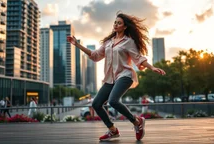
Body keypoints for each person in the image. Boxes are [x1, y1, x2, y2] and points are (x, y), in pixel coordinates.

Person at [67, 12, 166, 141]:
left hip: (125, 75)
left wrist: (152, 67)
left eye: (119, 23)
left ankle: (137, 122)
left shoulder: (129, 42)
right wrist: (77, 44)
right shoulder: (108, 42)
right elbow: (95, 55)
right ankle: (112, 130)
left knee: (113, 101)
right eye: (115, 22)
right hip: (110, 78)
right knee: (96, 104)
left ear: (125, 27)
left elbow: (138, 58)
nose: (116, 24)